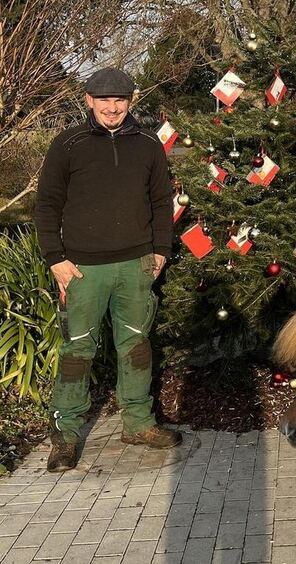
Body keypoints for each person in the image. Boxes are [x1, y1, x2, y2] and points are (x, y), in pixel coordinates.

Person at [35, 68, 181, 473]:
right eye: (104, 100)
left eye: (120, 100)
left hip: (135, 265)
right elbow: (46, 205)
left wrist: (160, 251)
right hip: (82, 269)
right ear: (88, 101)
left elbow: (161, 202)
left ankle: (138, 423)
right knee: (78, 351)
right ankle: (65, 436)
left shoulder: (148, 142)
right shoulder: (68, 144)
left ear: (130, 101)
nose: (113, 108)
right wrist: (56, 259)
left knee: (135, 346)